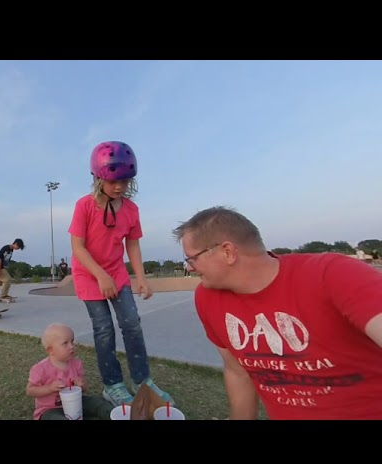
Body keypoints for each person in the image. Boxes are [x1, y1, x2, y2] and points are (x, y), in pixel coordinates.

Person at [172, 206, 382, 420]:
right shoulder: (208, 298)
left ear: (228, 252)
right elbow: (238, 371)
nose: (190, 268)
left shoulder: (332, 274)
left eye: (192, 259)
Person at [68, 140, 175, 407]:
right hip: (88, 273)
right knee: (104, 329)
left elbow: (133, 244)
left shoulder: (131, 210)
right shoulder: (84, 206)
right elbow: (78, 248)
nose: (119, 187)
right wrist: (101, 276)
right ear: (97, 178)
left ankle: (143, 380)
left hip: (116, 271)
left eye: (125, 181)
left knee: (131, 324)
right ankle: (113, 385)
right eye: (113, 180)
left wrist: (140, 277)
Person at [26, 323, 113, 420]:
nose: (71, 346)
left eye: (72, 341)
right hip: (50, 409)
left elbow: (85, 388)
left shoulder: (76, 364)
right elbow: (30, 391)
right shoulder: (40, 369)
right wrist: (49, 388)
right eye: (65, 343)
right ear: (51, 350)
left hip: (76, 403)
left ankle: (114, 415)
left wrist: (81, 385)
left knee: (97, 402)